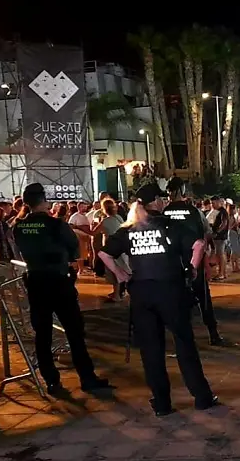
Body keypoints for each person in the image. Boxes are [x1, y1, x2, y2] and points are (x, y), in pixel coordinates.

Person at [99, 183, 219, 416]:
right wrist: (192, 269)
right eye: (161, 199)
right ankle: (201, 397)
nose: (164, 202)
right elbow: (198, 244)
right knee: (184, 344)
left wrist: (123, 275)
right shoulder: (170, 225)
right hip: (171, 290)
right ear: (156, 201)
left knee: (151, 350)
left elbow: (104, 253)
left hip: (142, 293)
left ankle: (162, 403)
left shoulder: (129, 228)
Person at [13, 183, 110, 395]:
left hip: (36, 281)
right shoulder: (56, 225)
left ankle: (51, 381)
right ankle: (86, 377)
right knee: (74, 331)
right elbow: (74, 251)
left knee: (43, 333)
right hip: (58, 281)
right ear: (44, 201)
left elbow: (20, 251)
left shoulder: (18, 226)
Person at [162, 177, 225, 345]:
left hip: (173, 265)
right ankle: (213, 333)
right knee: (204, 299)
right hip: (194, 262)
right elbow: (206, 235)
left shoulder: (164, 212)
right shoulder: (194, 212)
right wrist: (206, 261)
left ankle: (182, 338)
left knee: (177, 301)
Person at [91, 199, 126, 302]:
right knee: (117, 270)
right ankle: (116, 292)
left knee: (114, 272)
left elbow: (93, 232)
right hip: (120, 247)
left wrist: (78, 227)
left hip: (110, 249)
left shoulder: (105, 221)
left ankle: (117, 295)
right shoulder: (118, 218)